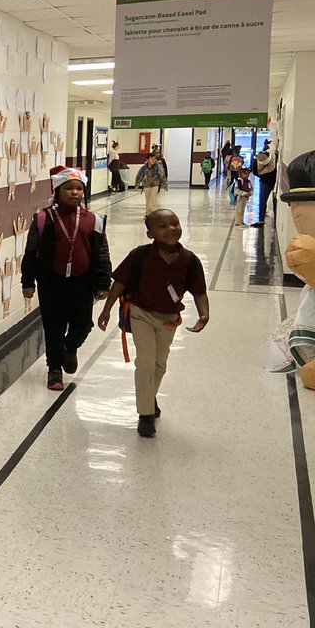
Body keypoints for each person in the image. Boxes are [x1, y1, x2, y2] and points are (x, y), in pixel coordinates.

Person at [97, 209, 209, 437]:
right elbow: (119, 283)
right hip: (141, 314)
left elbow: (199, 291)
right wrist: (107, 309)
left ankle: (149, 397)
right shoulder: (139, 256)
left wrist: (203, 314)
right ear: (150, 234)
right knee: (146, 362)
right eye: (163, 226)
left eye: (175, 224)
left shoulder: (189, 260)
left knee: (160, 364)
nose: (171, 229)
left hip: (168, 319)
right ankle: (145, 415)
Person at [21, 167, 111, 391]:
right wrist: (27, 282)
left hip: (82, 282)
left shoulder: (94, 220)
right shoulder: (44, 219)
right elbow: (31, 252)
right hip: (52, 282)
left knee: (82, 325)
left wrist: (103, 283)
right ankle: (54, 371)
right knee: (54, 327)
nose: (75, 193)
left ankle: (70, 348)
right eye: (69, 188)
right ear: (58, 190)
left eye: (79, 188)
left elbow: (102, 253)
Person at [251, 141, 277, 228]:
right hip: (266, 182)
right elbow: (255, 172)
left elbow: (257, 173)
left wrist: (262, 173)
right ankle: (261, 220)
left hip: (268, 182)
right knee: (262, 201)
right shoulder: (258, 161)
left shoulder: (272, 157)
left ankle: (265, 220)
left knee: (265, 201)